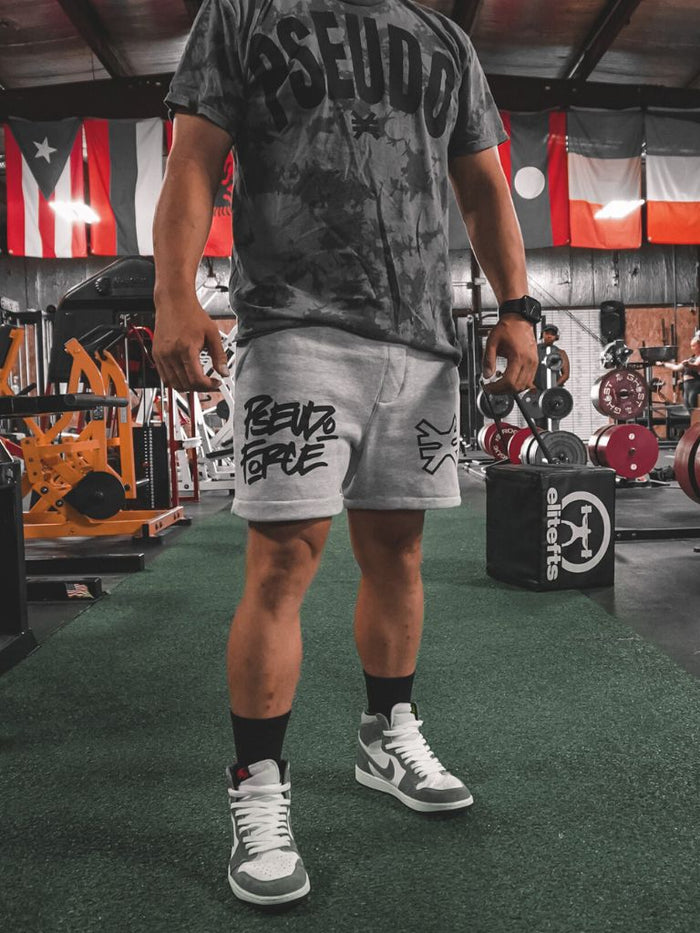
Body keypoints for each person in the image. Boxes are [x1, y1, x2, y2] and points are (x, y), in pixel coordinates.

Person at [152, 0, 538, 910]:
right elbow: (194, 156)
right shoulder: (244, 11)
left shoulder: (445, 40)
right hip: (296, 326)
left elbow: (483, 185)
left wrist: (519, 306)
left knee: (399, 552)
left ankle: (385, 730)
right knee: (284, 559)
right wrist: (174, 291)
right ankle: (257, 784)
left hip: (421, 340)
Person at [661, 333, 700, 411]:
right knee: (687, 408)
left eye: (694, 346)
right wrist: (663, 364)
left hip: (695, 385)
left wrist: (688, 365)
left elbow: (697, 366)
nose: (692, 348)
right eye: (691, 346)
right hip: (687, 386)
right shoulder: (690, 359)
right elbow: (676, 367)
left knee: (694, 408)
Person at [533, 324, 570, 391]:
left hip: (554, 391)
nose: (549, 336)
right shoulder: (534, 350)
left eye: (552, 334)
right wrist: (531, 385)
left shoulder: (561, 353)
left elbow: (566, 374)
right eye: (547, 333)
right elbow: (526, 369)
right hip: (536, 390)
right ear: (542, 334)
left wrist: (554, 386)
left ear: (556, 337)